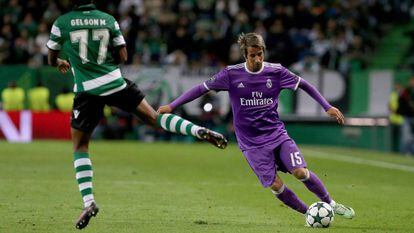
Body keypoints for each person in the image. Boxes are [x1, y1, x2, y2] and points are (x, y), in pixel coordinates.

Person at [46, 0, 227, 229]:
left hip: (87, 90)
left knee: (80, 146)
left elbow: (51, 58)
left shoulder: (61, 23)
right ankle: (196, 129)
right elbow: (123, 56)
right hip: (114, 82)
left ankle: (89, 202)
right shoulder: (108, 19)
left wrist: (62, 62)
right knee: (153, 117)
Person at [158, 32, 355, 220]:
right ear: (245, 55)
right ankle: (309, 214)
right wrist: (172, 105)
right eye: (252, 55)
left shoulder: (276, 72)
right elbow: (201, 89)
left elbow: (305, 84)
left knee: (300, 172)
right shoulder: (231, 74)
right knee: (276, 186)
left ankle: (331, 203)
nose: (257, 59)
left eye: (260, 54)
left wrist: (327, 106)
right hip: (252, 144)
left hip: (277, 135)